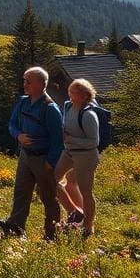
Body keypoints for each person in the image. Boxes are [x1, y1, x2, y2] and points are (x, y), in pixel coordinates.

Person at [0, 67, 63, 240]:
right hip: (25, 156)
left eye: (28, 81)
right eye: (24, 80)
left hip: (43, 158)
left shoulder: (51, 109)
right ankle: (16, 227)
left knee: (48, 196)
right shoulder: (23, 102)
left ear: (42, 84)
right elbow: (12, 125)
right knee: (21, 191)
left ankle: (52, 233)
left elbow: (58, 140)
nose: (25, 84)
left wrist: (50, 163)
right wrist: (19, 135)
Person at [54, 78, 100, 238]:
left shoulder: (89, 115)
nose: (69, 94)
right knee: (52, 180)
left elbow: (94, 142)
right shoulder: (68, 106)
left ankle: (88, 226)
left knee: (86, 191)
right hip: (69, 152)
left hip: (86, 156)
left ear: (84, 95)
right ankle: (75, 212)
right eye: (70, 91)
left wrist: (71, 139)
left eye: (73, 92)